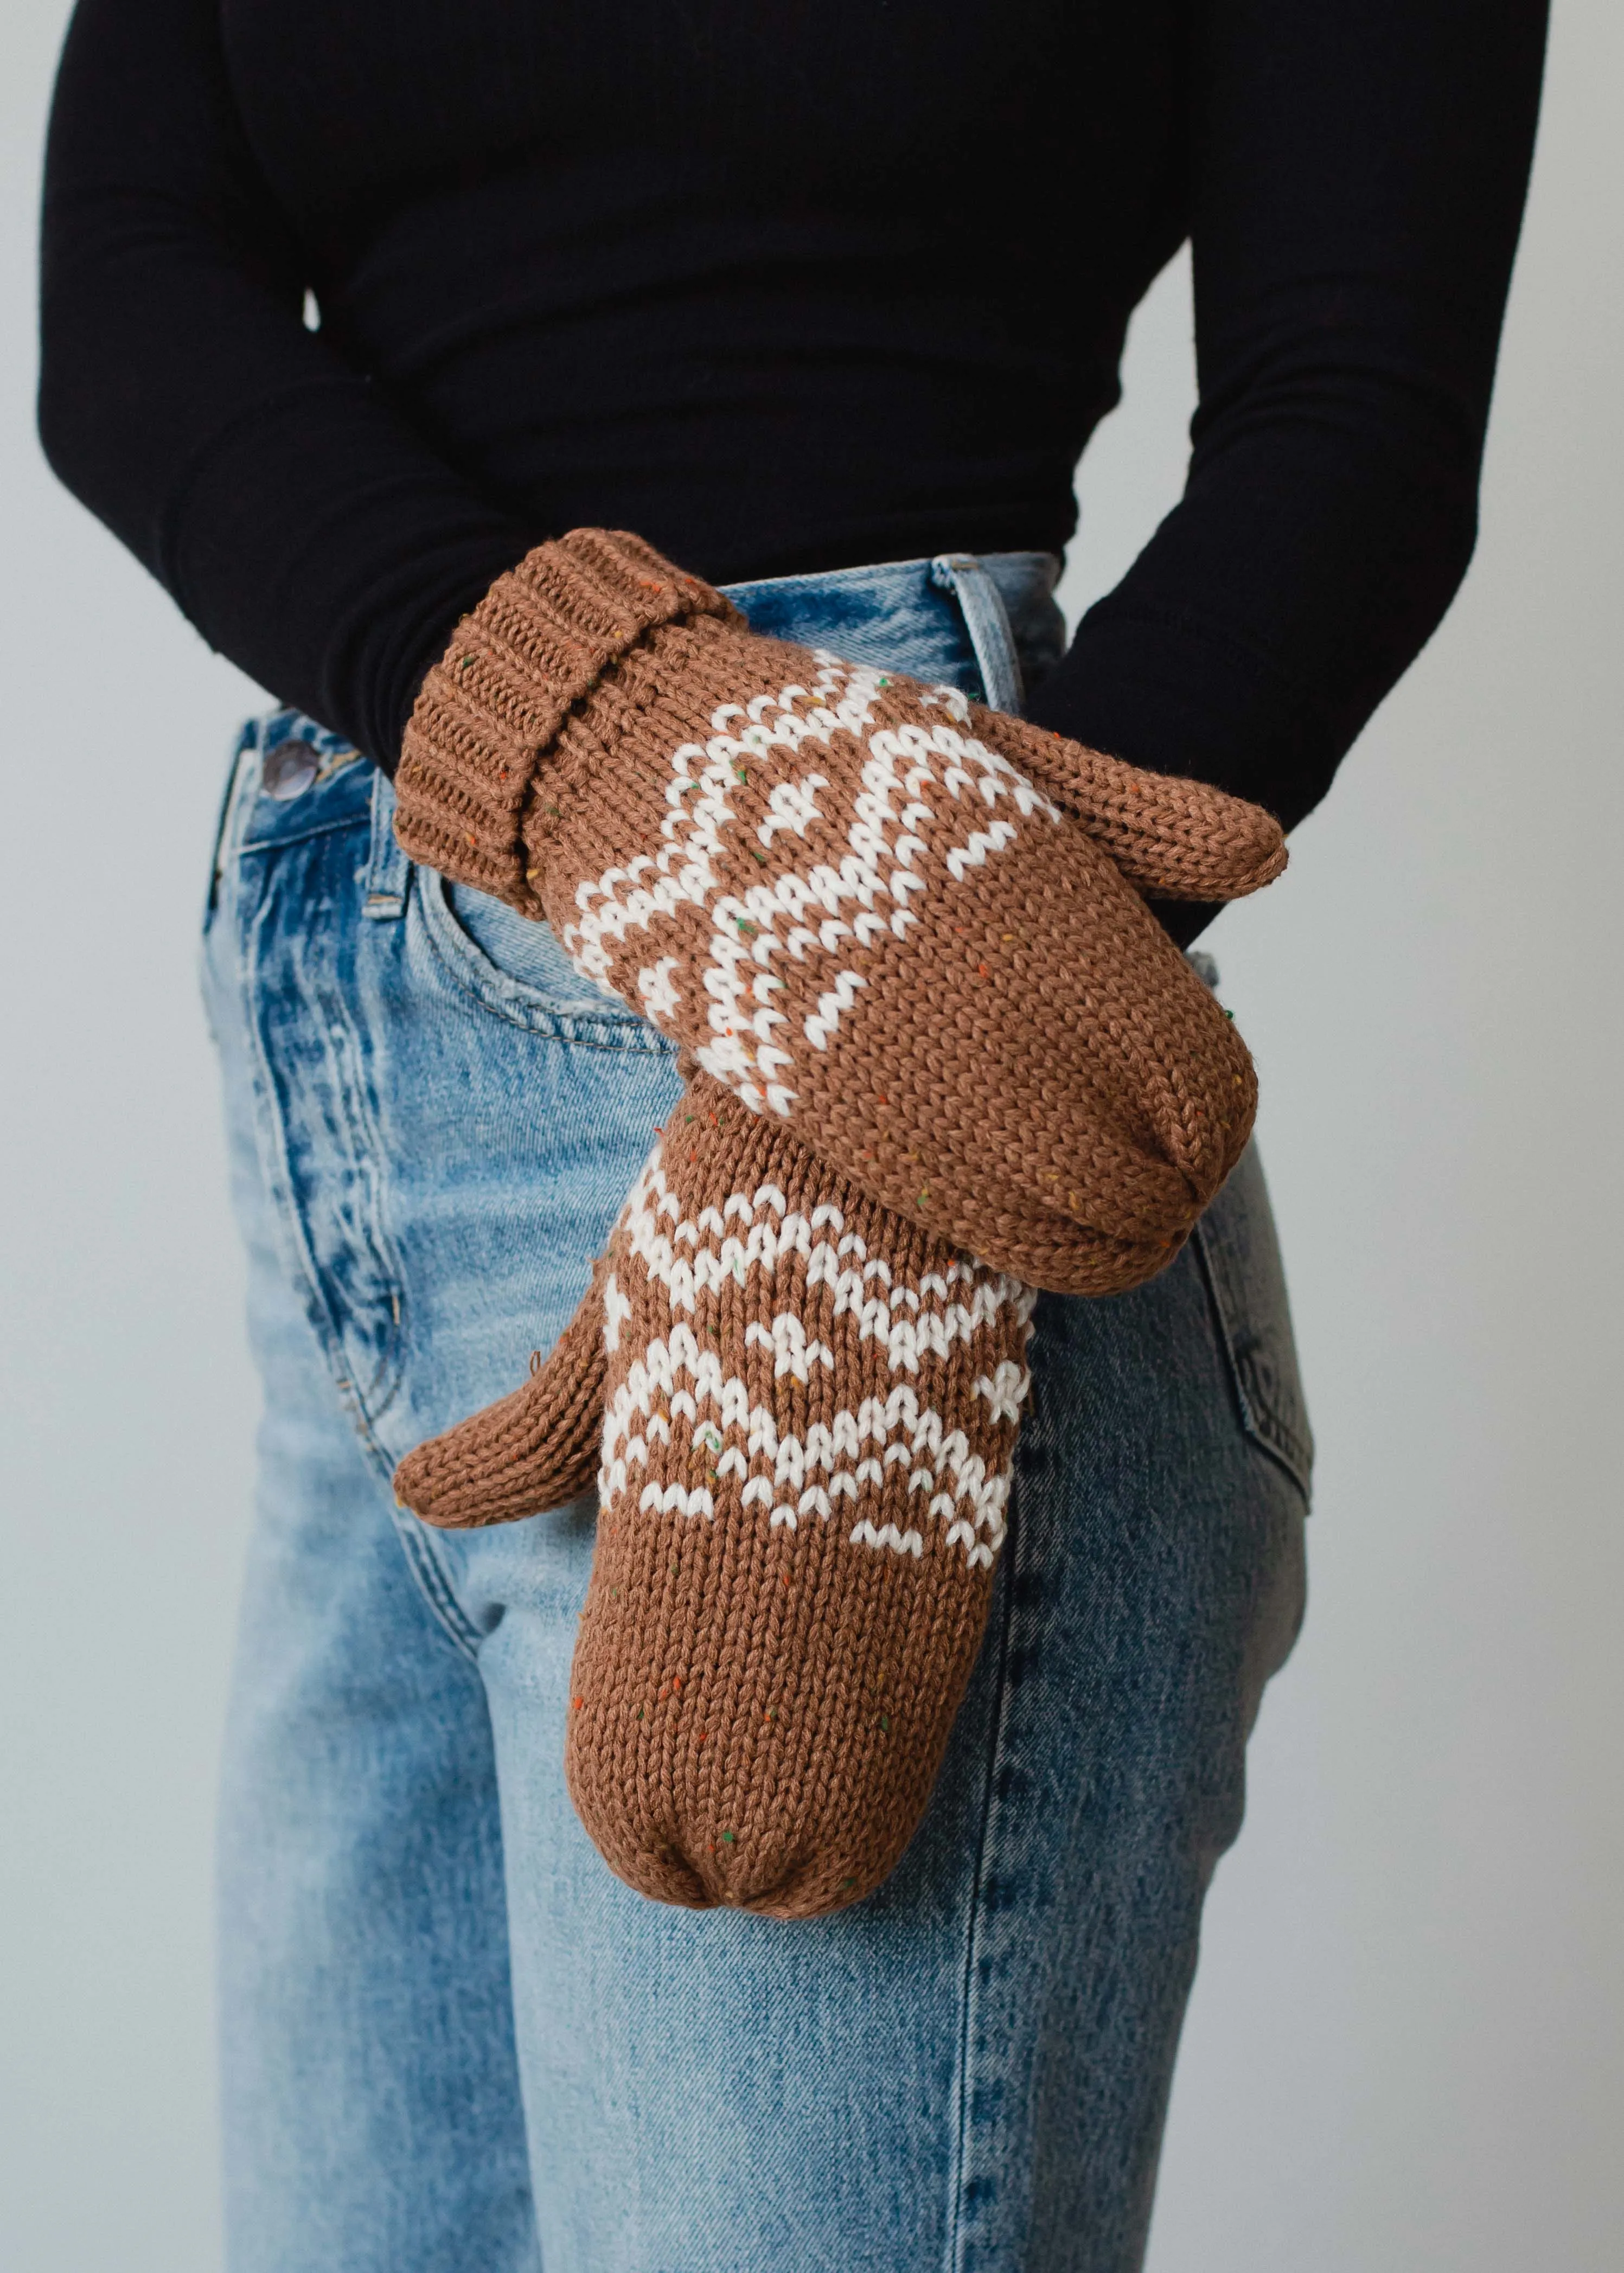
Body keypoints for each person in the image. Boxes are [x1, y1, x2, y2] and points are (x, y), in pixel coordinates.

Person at [37, 1, 1546, 2266]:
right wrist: (587, 733)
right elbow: (129, 290)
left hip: (903, 985)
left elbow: (1356, 422)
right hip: (356, 930)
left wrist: (901, 1019)